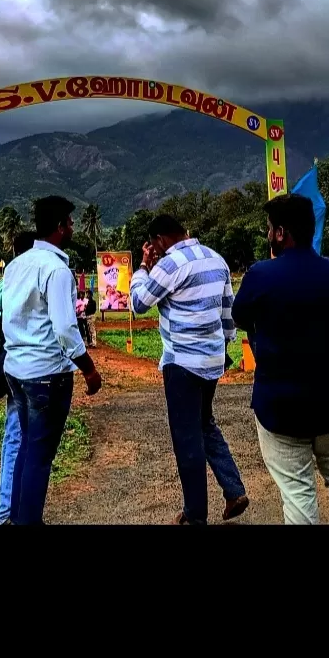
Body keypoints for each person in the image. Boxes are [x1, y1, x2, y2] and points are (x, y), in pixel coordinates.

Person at [232, 194, 329, 525]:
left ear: (281, 232)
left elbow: (240, 317)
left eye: (269, 229)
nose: (268, 235)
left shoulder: (261, 275)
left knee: (298, 492)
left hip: (280, 407)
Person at [130, 214, 250, 526]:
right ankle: (234, 490)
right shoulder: (216, 259)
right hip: (211, 361)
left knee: (187, 439)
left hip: (182, 363)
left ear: (157, 240)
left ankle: (195, 515)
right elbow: (228, 314)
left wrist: (143, 266)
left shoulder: (169, 265)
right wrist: (223, 351)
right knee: (204, 424)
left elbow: (139, 303)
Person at [1, 195, 103, 525]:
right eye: (70, 223)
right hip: (46, 374)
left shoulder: (16, 265)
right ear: (59, 228)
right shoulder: (57, 270)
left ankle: (19, 518)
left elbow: (10, 317)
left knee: (27, 449)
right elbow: (64, 327)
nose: (72, 227)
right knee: (40, 457)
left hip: (17, 370)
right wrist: (89, 369)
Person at [0, 231, 37, 525]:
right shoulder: (18, 276)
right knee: (21, 438)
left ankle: (12, 511)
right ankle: (8, 512)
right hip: (24, 367)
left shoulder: (15, 276)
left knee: (20, 438)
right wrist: (11, 321)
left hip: (19, 367)